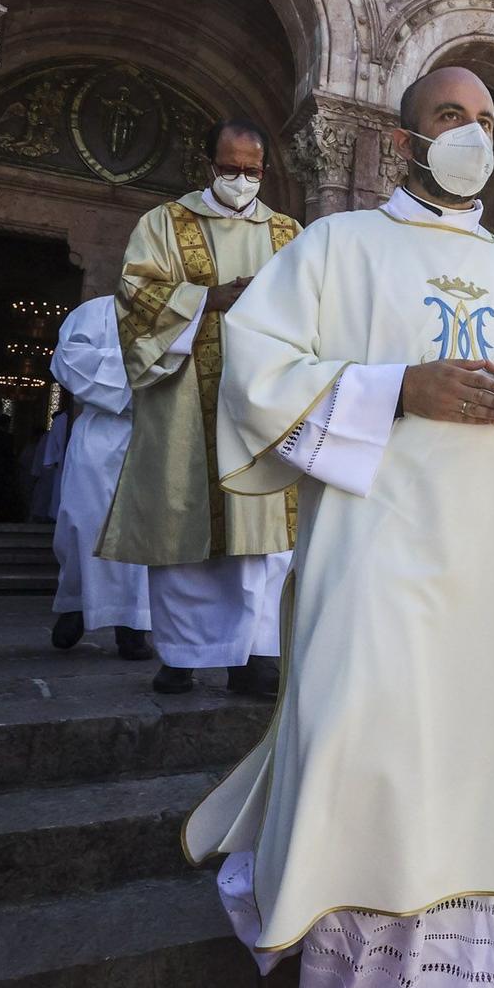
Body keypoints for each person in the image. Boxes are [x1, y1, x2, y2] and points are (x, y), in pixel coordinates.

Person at [187, 65, 494, 988]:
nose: (472, 133)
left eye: (486, 121)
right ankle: (329, 968)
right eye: (449, 117)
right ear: (407, 137)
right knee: (359, 738)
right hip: (375, 552)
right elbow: (257, 371)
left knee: (474, 764)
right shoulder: (336, 247)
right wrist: (394, 390)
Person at [98, 120, 299, 700]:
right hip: (184, 401)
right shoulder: (165, 224)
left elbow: (317, 307)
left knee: (261, 546)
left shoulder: (289, 234)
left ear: (265, 170)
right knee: (182, 534)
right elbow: (135, 296)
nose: (240, 179)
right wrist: (209, 298)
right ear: (208, 164)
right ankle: (182, 656)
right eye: (229, 167)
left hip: (259, 410)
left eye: (252, 170)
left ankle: (256, 658)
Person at [48, 298, 153, 662]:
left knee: (143, 528)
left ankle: (134, 624)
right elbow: (68, 358)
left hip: (156, 435)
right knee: (84, 521)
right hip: (101, 430)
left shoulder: (182, 310)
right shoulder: (96, 311)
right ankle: (77, 604)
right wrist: (143, 367)